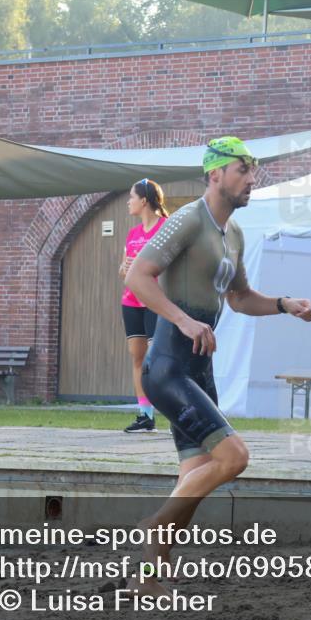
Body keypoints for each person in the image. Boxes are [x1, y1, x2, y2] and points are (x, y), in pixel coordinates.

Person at [124, 136, 311, 595]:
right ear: (215, 175)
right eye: (242, 170)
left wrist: (285, 304)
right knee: (234, 458)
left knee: (195, 473)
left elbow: (240, 298)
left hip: (198, 368)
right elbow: (137, 277)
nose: (252, 179)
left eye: (253, 171)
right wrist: (185, 321)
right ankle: (153, 532)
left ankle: (147, 577)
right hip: (168, 364)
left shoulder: (234, 233)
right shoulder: (189, 220)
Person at [118, 178, 169, 433]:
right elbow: (122, 269)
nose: (129, 201)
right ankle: (145, 415)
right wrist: (124, 268)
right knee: (138, 358)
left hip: (155, 300)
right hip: (131, 301)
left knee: (155, 359)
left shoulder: (166, 228)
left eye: (131, 196)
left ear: (144, 200)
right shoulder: (131, 234)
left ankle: (174, 410)